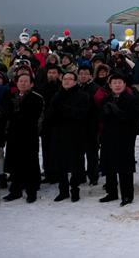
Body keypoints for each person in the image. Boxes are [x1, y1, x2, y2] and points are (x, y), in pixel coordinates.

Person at [99, 72, 139, 206]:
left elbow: (135, 119)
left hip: (125, 138)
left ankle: (127, 195)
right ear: (110, 85)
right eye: (114, 83)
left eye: (120, 82)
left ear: (124, 84)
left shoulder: (131, 99)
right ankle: (111, 192)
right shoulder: (106, 100)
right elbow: (101, 119)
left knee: (125, 168)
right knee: (109, 166)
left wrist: (120, 114)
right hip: (108, 137)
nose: (117, 85)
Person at [45, 71, 89, 202]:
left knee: (76, 163)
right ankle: (63, 190)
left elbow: (82, 114)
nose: (67, 81)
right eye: (65, 79)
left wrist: (64, 110)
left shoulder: (83, 96)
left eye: (70, 79)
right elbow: (50, 114)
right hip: (58, 133)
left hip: (76, 134)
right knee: (60, 163)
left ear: (75, 82)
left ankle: (75, 189)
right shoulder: (57, 95)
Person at [2, 73, 44, 203]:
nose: (23, 83)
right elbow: (7, 115)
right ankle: (15, 190)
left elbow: (34, 116)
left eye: (26, 81)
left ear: (31, 84)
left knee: (30, 163)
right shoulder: (11, 97)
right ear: (17, 82)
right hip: (13, 135)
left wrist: (17, 112)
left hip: (29, 135)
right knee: (14, 163)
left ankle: (31, 192)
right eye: (21, 81)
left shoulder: (36, 98)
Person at [77, 65, 100, 185]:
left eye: (86, 73)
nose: (83, 76)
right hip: (77, 126)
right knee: (78, 152)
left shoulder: (95, 88)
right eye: (81, 73)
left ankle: (93, 176)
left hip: (91, 125)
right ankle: (80, 175)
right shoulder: (75, 88)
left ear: (91, 75)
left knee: (92, 153)